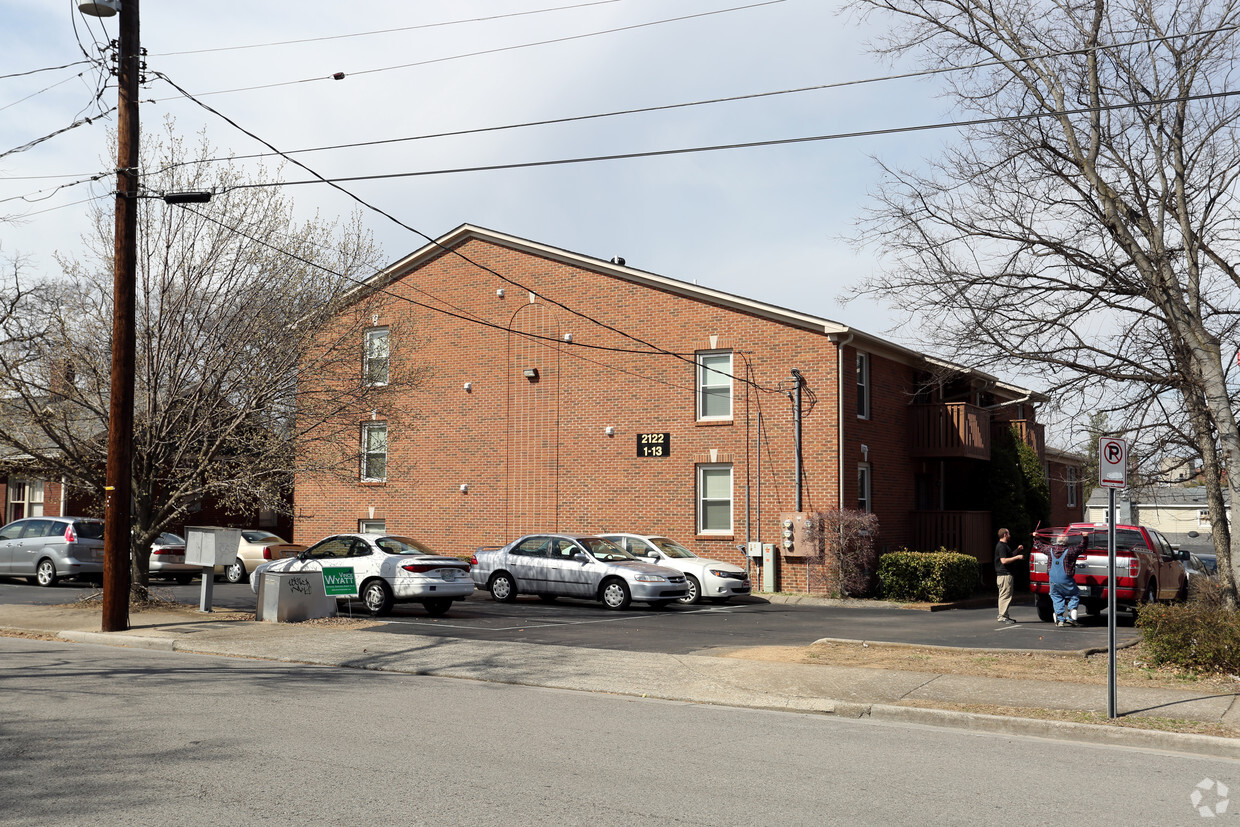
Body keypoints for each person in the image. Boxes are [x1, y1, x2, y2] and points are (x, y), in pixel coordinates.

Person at [1047, 534, 1083, 627]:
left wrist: (1036, 538)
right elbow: (1082, 547)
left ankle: (1059, 619)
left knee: (1056, 596)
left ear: (1057, 541)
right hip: (1066, 579)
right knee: (1074, 594)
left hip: (1053, 580)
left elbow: (1039, 546)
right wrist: (1085, 537)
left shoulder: (1049, 549)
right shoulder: (1070, 551)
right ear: (1067, 542)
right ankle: (1071, 617)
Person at [994, 528, 1025, 624]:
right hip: (1004, 575)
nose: (1010, 535)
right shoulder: (1001, 546)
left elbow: (1009, 555)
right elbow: (1003, 560)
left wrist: (1017, 550)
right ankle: (1002, 616)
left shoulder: (1004, 546)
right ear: (1005, 535)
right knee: (1005, 596)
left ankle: (1005, 615)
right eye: (1008, 534)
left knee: (1006, 595)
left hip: (1005, 575)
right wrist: (1017, 557)